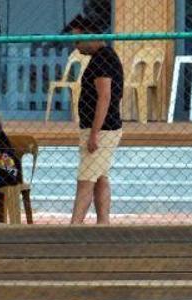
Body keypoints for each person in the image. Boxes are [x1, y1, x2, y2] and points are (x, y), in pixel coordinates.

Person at [67, 16, 124, 224]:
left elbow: (105, 96)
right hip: (103, 128)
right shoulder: (103, 57)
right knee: (100, 177)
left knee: (86, 180)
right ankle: (103, 223)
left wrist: (94, 133)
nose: (76, 46)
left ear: (91, 35)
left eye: (78, 40)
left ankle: (74, 227)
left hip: (102, 130)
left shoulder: (103, 59)